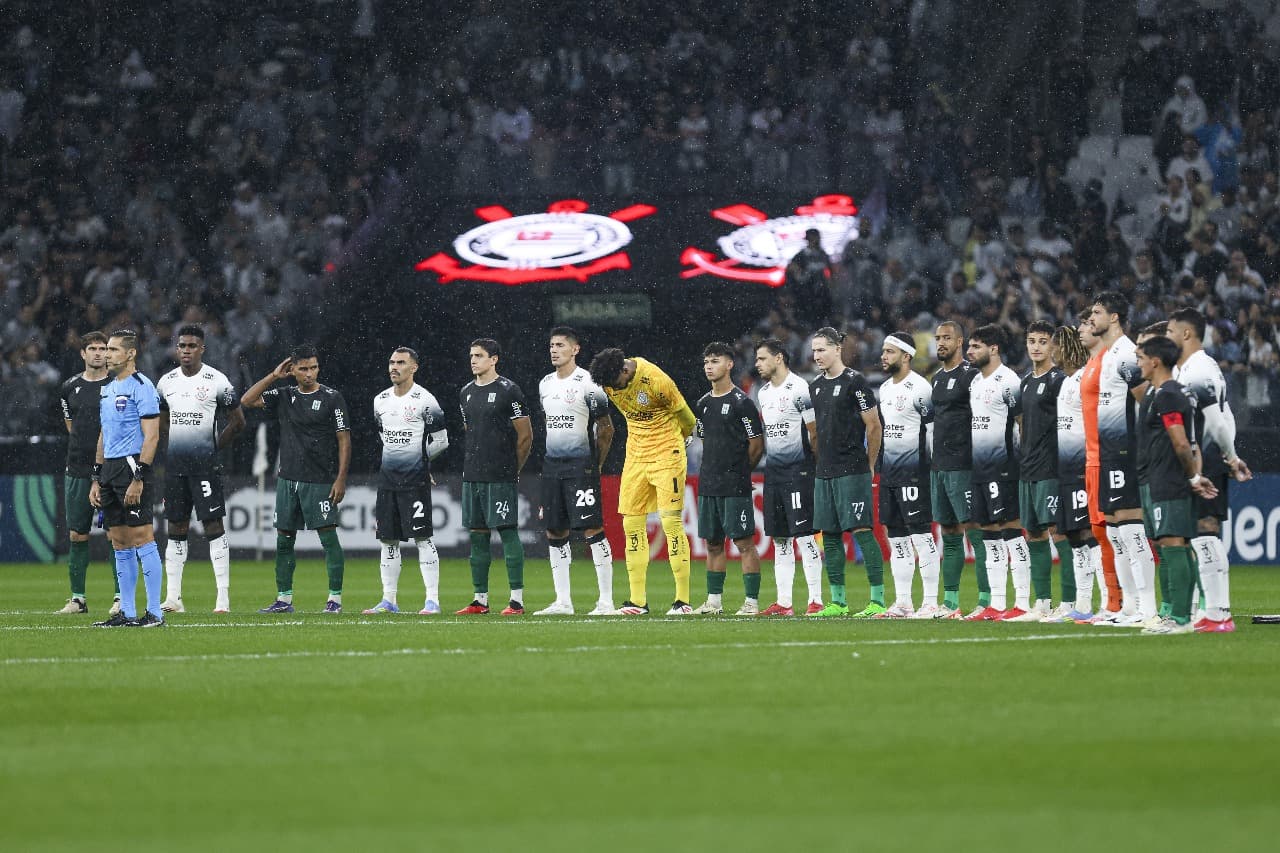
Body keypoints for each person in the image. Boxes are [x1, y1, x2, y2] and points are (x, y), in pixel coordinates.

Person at [242, 344, 351, 614]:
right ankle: (284, 599)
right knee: (283, 539)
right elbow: (247, 401)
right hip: (287, 479)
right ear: (292, 370)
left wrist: (340, 479)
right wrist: (273, 376)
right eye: (303, 368)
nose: (309, 373)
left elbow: (344, 439)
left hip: (320, 480)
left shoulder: (331, 397)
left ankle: (335, 599)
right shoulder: (284, 395)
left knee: (328, 538)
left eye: (313, 367)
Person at [588, 347, 697, 615]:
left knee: (670, 522)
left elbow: (688, 418)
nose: (613, 389)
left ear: (625, 371)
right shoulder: (611, 381)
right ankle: (638, 601)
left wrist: (681, 440)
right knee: (631, 523)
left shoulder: (657, 381)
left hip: (666, 455)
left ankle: (682, 601)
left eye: (615, 383)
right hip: (636, 457)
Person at [1168, 307, 1251, 632]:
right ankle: (1206, 610)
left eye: (1172, 332)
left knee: (1205, 531)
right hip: (1202, 457)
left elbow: (1216, 420)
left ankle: (1218, 613)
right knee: (1197, 534)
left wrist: (1229, 456)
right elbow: (1224, 411)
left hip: (1209, 458)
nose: (1169, 338)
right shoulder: (1191, 368)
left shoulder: (1199, 368)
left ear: (1187, 334)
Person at [155, 325, 245, 614]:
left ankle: (222, 599)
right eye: (182, 345)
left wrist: (215, 446)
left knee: (213, 527)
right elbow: (162, 420)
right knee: (175, 528)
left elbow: (238, 421)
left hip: (206, 468)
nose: (186, 350)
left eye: (192, 346)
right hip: (176, 469)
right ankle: (173, 598)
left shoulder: (217, 381)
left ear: (202, 349)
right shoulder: (165, 382)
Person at [1134, 336, 1219, 635]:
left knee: (1174, 544)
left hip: (1169, 479)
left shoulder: (1168, 394)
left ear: (1155, 361)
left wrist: (1193, 476)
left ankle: (1181, 619)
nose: (1138, 363)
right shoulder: (1166, 392)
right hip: (1162, 478)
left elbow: (1181, 442)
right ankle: (1183, 614)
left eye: (1141, 357)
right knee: (1174, 545)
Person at [536, 327, 616, 616]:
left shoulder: (588, 383)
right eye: (551, 345)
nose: (554, 350)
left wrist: (595, 465)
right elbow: (548, 422)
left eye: (560, 345)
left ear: (575, 349)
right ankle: (563, 602)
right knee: (555, 531)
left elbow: (606, 429)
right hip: (552, 467)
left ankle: (606, 601)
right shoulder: (545, 383)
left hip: (580, 468)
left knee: (593, 529)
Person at [363, 347, 449, 615]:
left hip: (414, 481)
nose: (394, 367)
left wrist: (421, 461)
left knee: (422, 538)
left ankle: (432, 600)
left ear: (414, 367)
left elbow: (442, 440)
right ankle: (389, 600)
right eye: (391, 362)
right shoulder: (380, 400)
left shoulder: (426, 400)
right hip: (387, 480)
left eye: (400, 363)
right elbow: (383, 435)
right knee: (388, 540)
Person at [88, 329, 166, 628]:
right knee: (118, 541)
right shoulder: (107, 388)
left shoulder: (142, 386)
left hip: (132, 468)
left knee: (142, 537)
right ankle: (127, 612)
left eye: (112, 350)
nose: (106, 355)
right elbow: (104, 434)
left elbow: (152, 436)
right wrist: (96, 476)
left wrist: (139, 478)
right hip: (109, 469)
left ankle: (155, 613)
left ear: (130, 354)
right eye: (105, 350)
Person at [808, 327, 886, 618]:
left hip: (852, 470)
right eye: (814, 351)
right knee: (829, 535)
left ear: (837, 349)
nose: (816, 356)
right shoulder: (815, 386)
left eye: (822, 350)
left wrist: (869, 465)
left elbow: (874, 425)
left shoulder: (856, 382)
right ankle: (837, 602)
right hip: (824, 471)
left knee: (863, 531)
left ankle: (877, 600)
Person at [1090, 293, 1155, 626]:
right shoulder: (1109, 354)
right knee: (1115, 530)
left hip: (1127, 450)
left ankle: (1147, 607)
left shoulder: (1128, 352)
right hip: (1109, 451)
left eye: (1097, 312)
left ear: (1114, 317)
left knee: (1130, 529)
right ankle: (1128, 606)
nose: (1092, 317)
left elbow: (1145, 399)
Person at [455, 339, 532, 616]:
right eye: (471, 355)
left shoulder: (509, 391)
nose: (473, 360)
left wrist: (513, 469)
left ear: (494, 359)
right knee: (477, 536)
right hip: (472, 475)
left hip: (500, 476)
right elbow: (471, 431)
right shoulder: (465, 392)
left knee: (508, 531)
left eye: (479, 356)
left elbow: (525, 436)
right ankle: (480, 600)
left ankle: (516, 601)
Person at [963, 325, 1031, 621]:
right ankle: (997, 603)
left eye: (976, 346)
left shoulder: (1009, 381)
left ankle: (1024, 603)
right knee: (988, 534)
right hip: (979, 468)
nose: (969, 351)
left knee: (1012, 531)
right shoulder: (976, 382)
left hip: (1004, 467)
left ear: (994, 349)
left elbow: (1022, 422)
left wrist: (1022, 461)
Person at [691, 343, 765, 616]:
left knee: (744, 543)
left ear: (729, 364)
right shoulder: (702, 404)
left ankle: (751, 603)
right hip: (708, 483)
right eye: (706, 362)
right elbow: (704, 440)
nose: (709, 366)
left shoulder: (742, 403)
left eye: (715, 361)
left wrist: (740, 473)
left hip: (734, 485)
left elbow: (756, 444)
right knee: (712, 543)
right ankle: (713, 602)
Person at [753, 338, 824, 616]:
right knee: (780, 539)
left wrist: (813, 468)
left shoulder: (800, 388)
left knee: (805, 536)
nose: (757, 364)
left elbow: (814, 432)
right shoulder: (763, 392)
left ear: (779, 358)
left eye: (762, 358)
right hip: (774, 472)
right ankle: (784, 603)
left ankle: (815, 600)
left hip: (799, 471)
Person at [54, 331, 120, 615]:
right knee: (77, 535)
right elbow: (71, 425)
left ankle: (120, 598)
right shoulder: (68, 387)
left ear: (109, 353)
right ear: (82, 353)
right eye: (92, 348)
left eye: (103, 348)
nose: (98, 353)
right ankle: (78, 599)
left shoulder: (117, 385)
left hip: (111, 470)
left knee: (115, 535)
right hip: (77, 469)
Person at [875, 332, 940, 618]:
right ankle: (902, 602)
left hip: (915, 472)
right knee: (897, 538)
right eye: (883, 352)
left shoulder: (921, 388)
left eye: (889, 352)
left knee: (922, 535)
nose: (883, 357)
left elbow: (933, 430)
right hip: (890, 473)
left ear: (906, 356)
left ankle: (930, 602)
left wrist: (933, 467)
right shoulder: (885, 389)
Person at [1012, 321, 1071, 621]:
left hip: (1050, 467)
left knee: (1058, 533)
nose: (1036, 346)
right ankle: (1043, 602)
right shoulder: (1024, 382)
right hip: (1028, 467)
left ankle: (1071, 601)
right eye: (1032, 340)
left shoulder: (1059, 381)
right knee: (1034, 534)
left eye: (1043, 341)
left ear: (1053, 346)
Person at [930, 321, 987, 619]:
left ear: (960, 341)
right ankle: (950, 603)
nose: (940, 342)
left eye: (946, 338)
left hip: (963, 465)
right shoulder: (937, 379)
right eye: (938, 337)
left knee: (975, 531)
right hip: (939, 465)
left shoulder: (972, 376)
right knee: (949, 533)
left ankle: (987, 599)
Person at [1047, 325, 1103, 623]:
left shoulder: (1084, 378)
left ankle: (1105, 602)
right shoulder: (1068, 381)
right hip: (1066, 468)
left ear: (1064, 346)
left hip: (1083, 467)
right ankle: (1080, 604)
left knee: (1088, 533)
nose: (1051, 352)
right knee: (1073, 535)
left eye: (1054, 346)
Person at [1077, 309, 1122, 621]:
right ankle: (1112, 602)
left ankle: (1121, 602)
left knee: (1116, 532)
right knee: (1099, 531)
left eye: (1089, 322)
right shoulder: (1091, 365)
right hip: (1092, 459)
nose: (1083, 328)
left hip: (1109, 458)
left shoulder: (1109, 359)